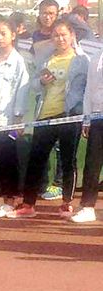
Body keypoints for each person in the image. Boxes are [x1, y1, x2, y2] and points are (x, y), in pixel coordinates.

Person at [9, 20, 88, 219]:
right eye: (56, 35)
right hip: (45, 116)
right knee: (36, 159)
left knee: (68, 160)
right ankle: (28, 204)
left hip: (69, 116)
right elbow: (34, 85)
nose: (60, 39)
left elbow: (87, 88)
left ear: (72, 36)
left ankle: (66, 204)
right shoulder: (47, 59)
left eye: (64, 35)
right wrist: (41, 82)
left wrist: (82, 114)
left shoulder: (81, 60)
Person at [0, 18, 30, 218]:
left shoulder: (18, 61)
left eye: (3, 33)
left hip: (9, 121)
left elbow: (22, 90)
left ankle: (11, 201)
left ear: (13, 35)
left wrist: (18, 118)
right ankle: (4, 199)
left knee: (8, 158)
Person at [71, 46, 103, 222]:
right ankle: (88, 207)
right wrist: (87, 119)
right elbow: (89, 89)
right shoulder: (96, 57)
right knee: (92, 163)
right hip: (97, 117)